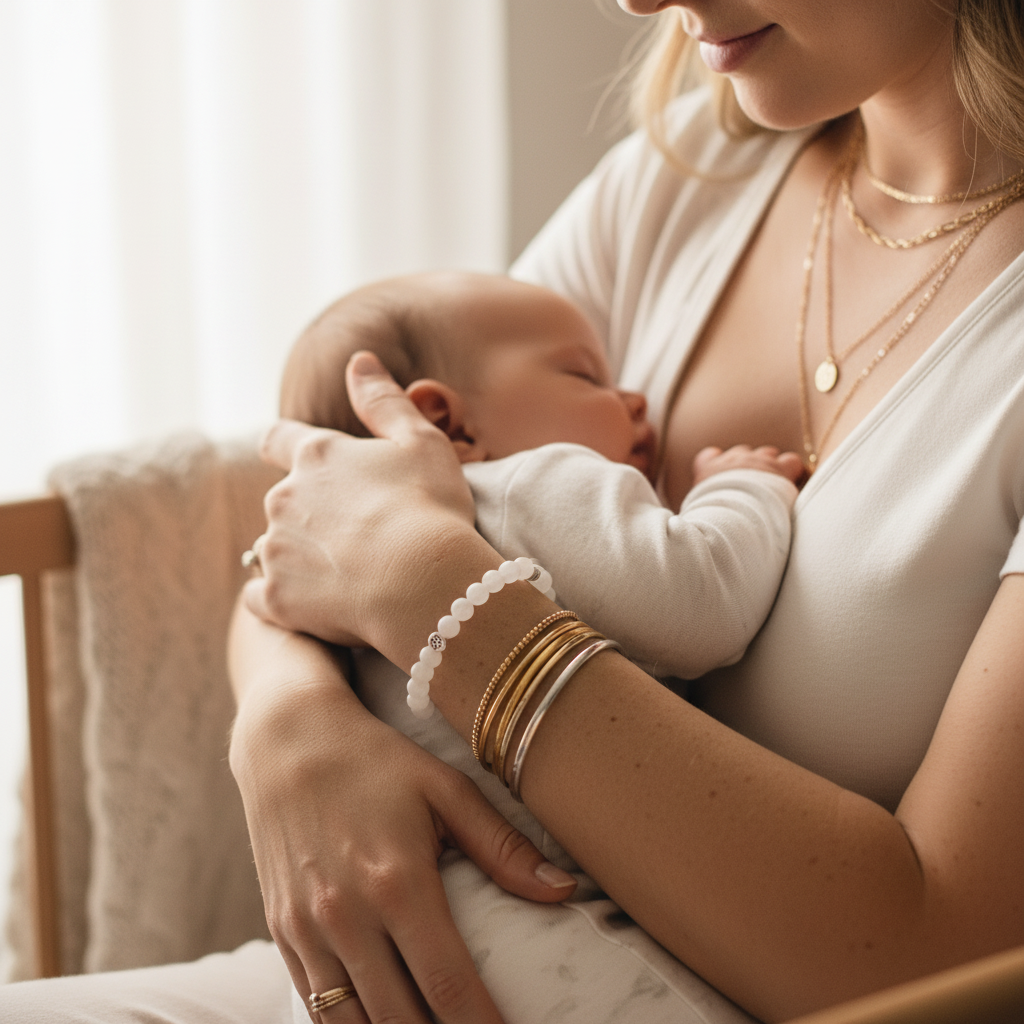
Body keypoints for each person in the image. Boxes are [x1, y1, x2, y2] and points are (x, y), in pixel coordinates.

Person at [4, 2, 1022, 1022]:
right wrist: (291, 725)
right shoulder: (695, 172)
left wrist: (434, 600)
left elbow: (933, 957)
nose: (630, 1)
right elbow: (332, 514)